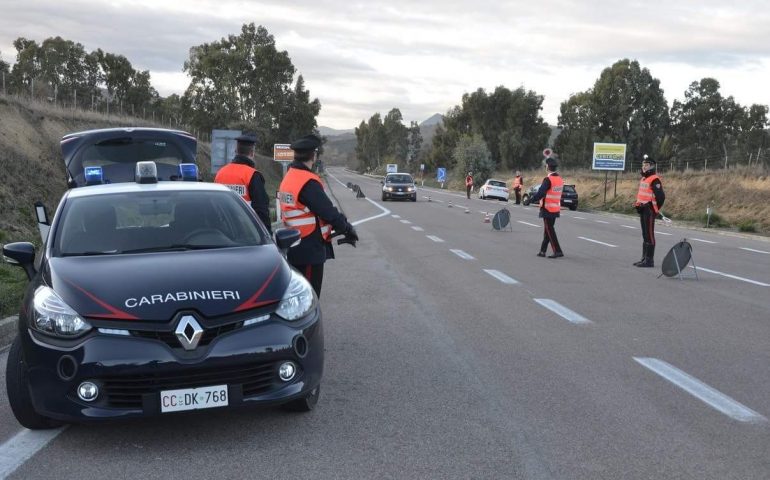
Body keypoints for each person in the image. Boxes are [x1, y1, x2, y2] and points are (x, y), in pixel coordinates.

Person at [278, 134, 358, 297]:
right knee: (309, 297)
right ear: (313, 155)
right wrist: (347, 228)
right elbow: (327, 211)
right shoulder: (307, 181)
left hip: (293, 243)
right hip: (308, 247)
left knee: (297, 294)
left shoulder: (289, 176)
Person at [214, 133, 272, 235]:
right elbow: (261, 210)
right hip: (246, 233)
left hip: (223, 231)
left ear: (236, 151)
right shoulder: (253, 175)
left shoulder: (220, 173)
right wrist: (267, 234)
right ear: (252, 152)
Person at [633, 155, 665, 267]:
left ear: (651, 166)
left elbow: (661, 197)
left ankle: (649, 260)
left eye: (646, 165)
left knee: (650, 235)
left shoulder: (654, 179)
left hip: (649, 211)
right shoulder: (643, 178)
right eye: (643, 165)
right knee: (645, 234)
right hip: (642, 209)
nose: (644, 167)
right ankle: (644, 258)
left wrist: (653, 209)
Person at [529, 157, 564, 258]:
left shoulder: (548, 179)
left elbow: (541, 193)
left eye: (546, 166)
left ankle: (557, 251)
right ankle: (542, 251)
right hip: (555, 208)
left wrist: (530, 200)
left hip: (547, 209)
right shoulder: (559, 179)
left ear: (547, 167)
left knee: (549, 230)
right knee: (548, 230)